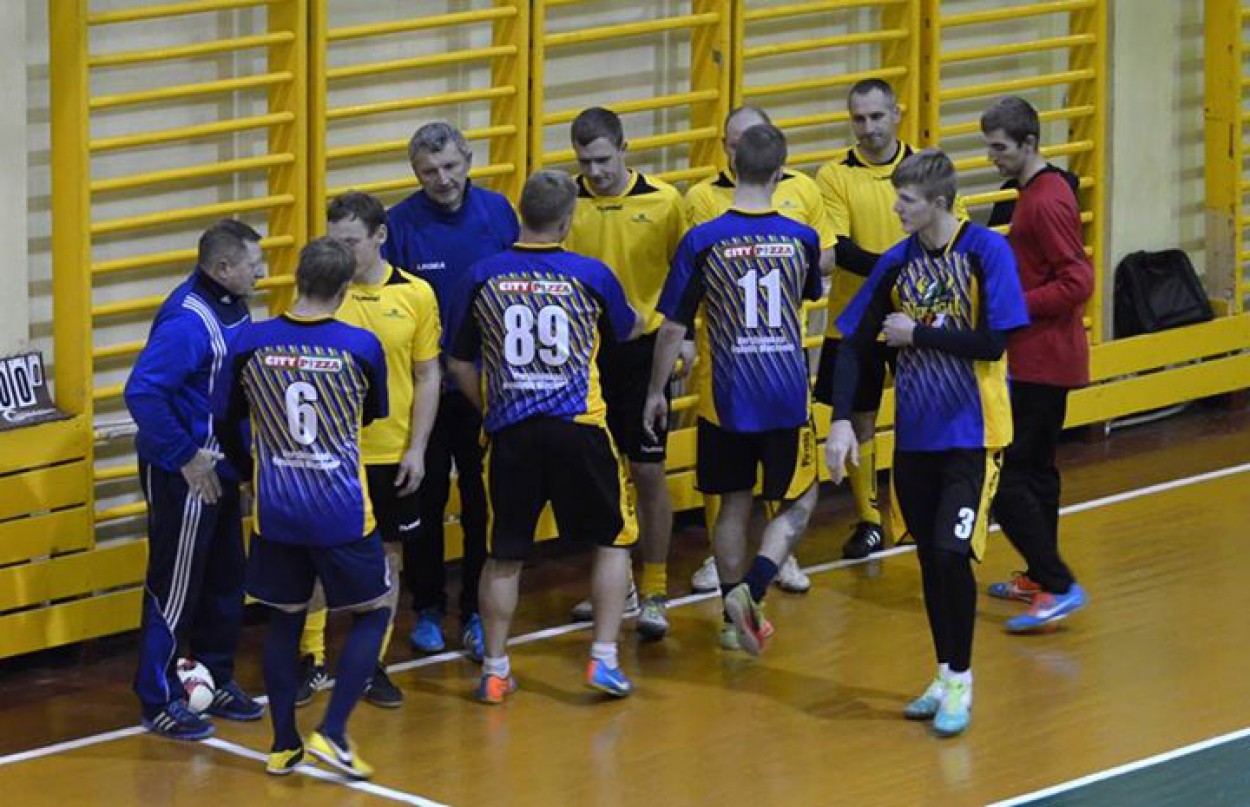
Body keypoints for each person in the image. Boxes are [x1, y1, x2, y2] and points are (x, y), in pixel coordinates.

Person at [825, 149, 1028, 737]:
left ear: (939, 202)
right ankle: (942, 674)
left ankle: (961, 680)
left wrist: (918, 334)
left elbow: (993, 342)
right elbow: (853, 343)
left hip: (974, 435)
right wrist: (841, 420)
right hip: (915, 439)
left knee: (949, 554)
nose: (896, 208)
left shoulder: (985, 252)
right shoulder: (898, 262)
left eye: (906, 199)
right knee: (928, 561)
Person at [447, 170, 643, 703]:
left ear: (520, 213)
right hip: (580, 428)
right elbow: (627, 329)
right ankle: (603, 659)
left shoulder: (482, 275)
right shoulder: (590, 274)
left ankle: (494, 669)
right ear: (567, 219)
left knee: (504, 554)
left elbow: (459, 362)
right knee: (613, 540)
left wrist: (491, 406)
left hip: (511, 433)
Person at [215, 237, 391, 779]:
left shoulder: (250, 342)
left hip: (277, 509)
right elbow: (370, 416)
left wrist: (250, 473)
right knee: (374, 611)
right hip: (341, 510)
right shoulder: (360, 346)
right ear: (344, 289)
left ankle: (283, 744)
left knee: (284, 619)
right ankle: (332, 732)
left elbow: (226, 417)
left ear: (297, 278)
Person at [646, 123, 822, 656]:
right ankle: (756, 585)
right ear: (779, 173)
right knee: (800, 498)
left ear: (733, 165)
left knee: (732, 505)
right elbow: (805, 296)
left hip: (726, 397)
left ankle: (731, 616)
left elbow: (672, 328)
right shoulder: (802, 238)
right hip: (786, 394)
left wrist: (655, 392)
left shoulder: (703, 240)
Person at [294, 192, 442, 709]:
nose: (341, 252)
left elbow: (427, 374)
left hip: (390, 454)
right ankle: (310, 658)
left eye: (350, 242)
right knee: (315, 560)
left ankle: (368, 664)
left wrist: (417, 448)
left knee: (386, 561)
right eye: (333, 242)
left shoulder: (416, 294)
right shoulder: (320, 294)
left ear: (380, 236)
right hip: (329, 457)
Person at [682, 105, 836, 596]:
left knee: (764, 490)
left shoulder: (803, 192)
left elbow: (827, 254)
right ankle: (752, 577)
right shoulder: (701, 199)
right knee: (752, 495)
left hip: (767, 370)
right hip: (731, 371)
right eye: (733, 142)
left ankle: (755, 581)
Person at [124, 219, 266, 740]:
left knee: (226, 577)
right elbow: (142, 393)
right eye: (254, 264)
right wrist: (185, 456)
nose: (261, 273)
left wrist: (245, 467)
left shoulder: (234, 304)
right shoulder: (188, 320)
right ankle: (157, 697)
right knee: (176, 586)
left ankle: (215, 676)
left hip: (221, 468)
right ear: (223, 267)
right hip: (186, 473)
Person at [382, 121, 520, 657]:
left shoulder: (498, 212)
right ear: (415, 174)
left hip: (489, 386)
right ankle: (428, 607)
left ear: (468, 161)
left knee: (485, 499)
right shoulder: (400, 224)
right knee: (426, 496)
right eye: (428, 171)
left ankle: (479, 611)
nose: (442, 179)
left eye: (449, 166)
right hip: (427, 392)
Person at [562, 106, 690, 639]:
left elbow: (685, 277)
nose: (594, 172)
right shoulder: (566, 203)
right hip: (585, 356)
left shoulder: (664, 201)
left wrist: (686, 340)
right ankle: (619, 586)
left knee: (648, 470)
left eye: (602, 159)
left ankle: (655, 588)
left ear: (623, 149)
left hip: (643, 354)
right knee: (599, 477)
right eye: (584, 162)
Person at [980, 96, 1092, 632]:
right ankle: (1039, 577)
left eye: (999, 148)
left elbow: (1078, 281)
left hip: (1041, 361)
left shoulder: (1044, 201)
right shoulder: (1036, 192)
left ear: (1029, 143)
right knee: (1039, 473)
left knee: (1007, 483)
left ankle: (1058, 583)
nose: (992, 158)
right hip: (1042, 357)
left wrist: (1014, 305)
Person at [814, 79, 924, 559]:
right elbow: (841, 249)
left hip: (915, 318)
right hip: (854, 320)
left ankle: (913, 513)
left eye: (877, 116)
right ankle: (869, 520)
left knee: (921, 415)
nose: (868, 127)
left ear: (896, 114)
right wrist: (900, 268)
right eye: (858, 118)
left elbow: (949, 234)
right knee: (859, 419)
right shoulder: (834, 175)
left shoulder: (924, 167)